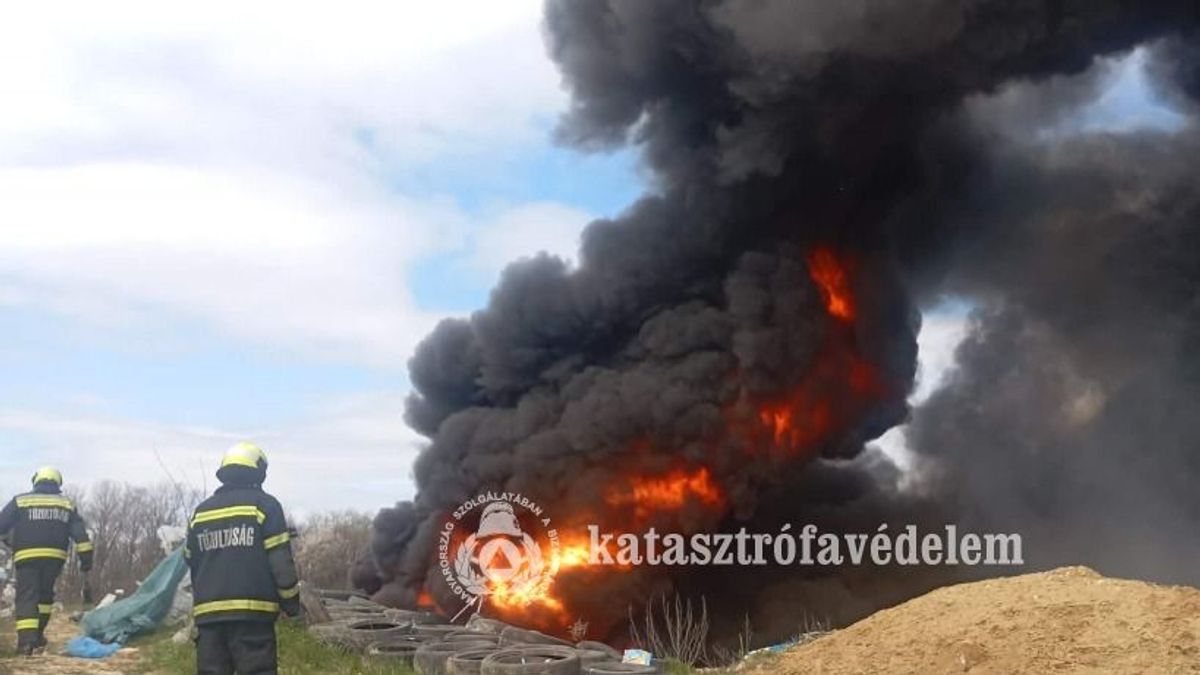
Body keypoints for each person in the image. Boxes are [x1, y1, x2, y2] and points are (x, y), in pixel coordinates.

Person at [185, 442, 301, 675]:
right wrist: (292, 605)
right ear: (259, 471)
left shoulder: (201, 512)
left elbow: (189, 558)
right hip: (253, 617)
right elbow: (281, 563)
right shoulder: (265, 506)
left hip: (209, 619)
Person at [0, 466, 94, 655]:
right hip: (54, 558)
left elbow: (1, 525)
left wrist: (8, 541)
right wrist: (86, 561)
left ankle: (26, 644)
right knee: (44, 597)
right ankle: (37, 637)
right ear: (57, 482)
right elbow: (81, 536)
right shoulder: (67, 504)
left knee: (27, 596)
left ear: (36, 480)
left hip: (25, 557)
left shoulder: (20, 501)